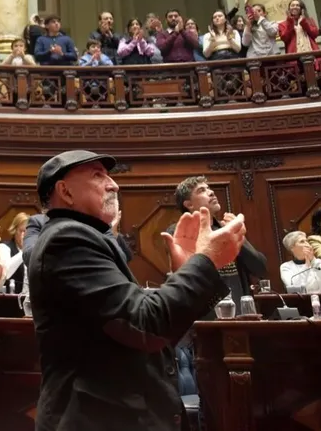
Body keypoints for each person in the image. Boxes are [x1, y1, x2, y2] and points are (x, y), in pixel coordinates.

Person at [28, 150, 246, 431]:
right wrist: (207, 261)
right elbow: (145, 324)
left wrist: (186, 270)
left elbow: (132, 321)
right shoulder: (67, 239)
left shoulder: (85, 237)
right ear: (65, 191)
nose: (114, 185)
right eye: (98, 175)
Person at [171, 176, 267, 305]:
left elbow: (260, 269)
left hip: (239, 309)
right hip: (204, 311)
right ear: (189, 204)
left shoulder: (226, 228)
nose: (211, 192)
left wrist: (240, 237)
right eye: (201, 190)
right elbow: (184, 276)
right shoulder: (180, 233)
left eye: (208, 188)